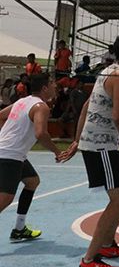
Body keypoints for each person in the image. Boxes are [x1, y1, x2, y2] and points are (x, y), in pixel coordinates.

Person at [63, 34, 119, 267]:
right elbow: (118, 117)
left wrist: (77, 140)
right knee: (118, 198)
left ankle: (107, 244)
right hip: (101, 145)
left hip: (97, 143)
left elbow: (88, 105)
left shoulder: (106, 72)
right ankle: (89, 261)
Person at [0, 74, 68, 242]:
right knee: (5, 199)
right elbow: (41, 133)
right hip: (10, 155)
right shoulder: (41, 107)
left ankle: (19, 229)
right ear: (44, 88)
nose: (55, 87)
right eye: (52, 84)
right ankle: (19, 229)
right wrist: (57, 152)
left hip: (12, 153)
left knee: (32, 181)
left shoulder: (22, 101)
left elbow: (1, 115)